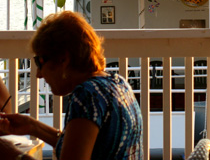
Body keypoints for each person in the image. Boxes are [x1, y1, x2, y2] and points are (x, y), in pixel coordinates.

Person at [0, 11, 143, 160]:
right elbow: (86, 147)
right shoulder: (117, 84)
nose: (38, 75)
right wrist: (33, 127)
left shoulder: (87, 95)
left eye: (40, 62)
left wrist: (13, 155)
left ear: (63, 59)